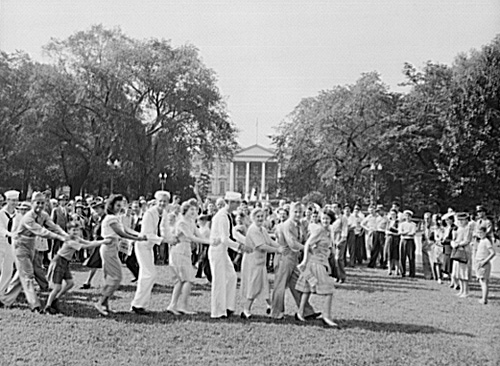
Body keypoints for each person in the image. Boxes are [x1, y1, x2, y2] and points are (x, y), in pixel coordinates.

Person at [0, 192, 68, 312]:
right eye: (37, 203)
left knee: (21, 274)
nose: (40, 205)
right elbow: (42, 231)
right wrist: (60, 238)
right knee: (28, 274)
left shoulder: (44, 215)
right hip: (20, 245)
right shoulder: (28, 217)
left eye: (42, 203)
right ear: (32, 203)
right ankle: (35, 305)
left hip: (31, 245)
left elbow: (53, 226)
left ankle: (5, 299)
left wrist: (65, 235)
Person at [95, 195, 146, 316]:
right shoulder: (110, 218)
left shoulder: (115, 218)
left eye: (120, 206)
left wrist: (140, 235)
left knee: (110, 278)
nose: (119, 208)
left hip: (112, 248)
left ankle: (105, 305)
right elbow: (121, 233)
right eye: (117, 205)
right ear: (111, 206)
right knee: (116, 278)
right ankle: (100, 302)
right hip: (109, 248)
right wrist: (138, 238)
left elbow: (126, 229)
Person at [45, 221, 109, 314]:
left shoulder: (77, 238)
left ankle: (56, 299)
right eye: (73, 230)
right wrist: (103, 242)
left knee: (70, 283)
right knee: (57, 287)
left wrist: (102, 241)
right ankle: (48, 306)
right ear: (69, 231)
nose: (75, 232)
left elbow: (88, 242)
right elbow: (86, 246)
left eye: (77, 230)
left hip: (65, 262)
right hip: (58, 261)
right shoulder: (69, 241)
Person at [271, 202, 319, 320]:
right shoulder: (288, 225)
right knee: (280, 286)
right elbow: (292, 243)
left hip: (294, 258)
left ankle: (306, 311)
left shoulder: (299, 225)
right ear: (290, 212)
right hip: (284, 258)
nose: (298, 214)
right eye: (295, 212)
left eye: (300, 212)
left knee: (298, 285)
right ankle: (276, 313)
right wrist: (307, 248)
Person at [209, 192, 252, 319]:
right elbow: (225, 239)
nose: (238, 205)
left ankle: (228, 306)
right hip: (217, 251)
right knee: (219, 281)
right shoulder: (222, 216)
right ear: (229, 202)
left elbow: (233, 234)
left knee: (231, 277)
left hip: (223, 251)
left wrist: (248, 242)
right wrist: (241, 247)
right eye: (236, 203)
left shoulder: (227, 215)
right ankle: (217, 311)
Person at [168, 199, 212, 315]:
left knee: (182, 281)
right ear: (185, 210)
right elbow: (191, 237)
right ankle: (182, 306)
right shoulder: (181, 222)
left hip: (186, 251)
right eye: (191, 209)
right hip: (179, 251)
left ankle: (173, 305)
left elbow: (199, 235)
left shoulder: (191, 222)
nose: (193, 211)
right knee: (187, 280)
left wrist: (211, 240)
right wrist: (210, 242)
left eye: (195, 209)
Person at [130, 191, 171, 315]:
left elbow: (165, 230)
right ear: (156, 201)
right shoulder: (149, 213)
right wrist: (163, 240)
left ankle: (139, 305)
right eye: (161, 201)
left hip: (150, 246)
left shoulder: (164, 213)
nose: (163, 203)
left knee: (147, 275)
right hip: (143, 245)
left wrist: (170, 239)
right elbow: (147, 234)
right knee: (149, 274)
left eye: (165, 201)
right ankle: (137, 304)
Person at [297, 210, 339, 328]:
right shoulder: (319, 230)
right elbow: (307, 244)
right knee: (328, 290)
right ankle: (326, 317)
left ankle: (300, 313)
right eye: (323, 218)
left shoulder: (328, 231)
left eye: (327, 219)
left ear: (331, 220)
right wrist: (305, 261)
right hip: (315, 263)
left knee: (307, 289)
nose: (325, 221)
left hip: (321, 262)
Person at [240, 208, 283, 319]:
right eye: (257, 216)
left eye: (261, 216)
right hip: (252, 262)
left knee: (264, 285)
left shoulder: (262, 229)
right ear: (253, 218)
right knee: (253, 285)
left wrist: (281, 246)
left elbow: (269, 242)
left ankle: (271, 306)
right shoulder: (253, 229)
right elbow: (261, 246)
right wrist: (277, 250)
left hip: (260, 262)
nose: (260, 218)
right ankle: (246, 310)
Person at [81, 201, 106, 289]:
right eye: (94, 209)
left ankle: (89, 282)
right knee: (95, 263)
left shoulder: (106, 219)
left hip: (103, 243)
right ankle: (88, 282)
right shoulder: (99, 219)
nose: (96, 211)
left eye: (97, 209)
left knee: (99, 263)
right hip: (98, 243)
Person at [0, 190, 19, 294]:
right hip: (1, 243)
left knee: (8, 270)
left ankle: (1, 292)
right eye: (13, 201)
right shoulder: (1, 214)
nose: (15, 203)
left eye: (16, 201)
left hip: (11, 246)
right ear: (7, 200)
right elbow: (1, 229)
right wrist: (9, 234)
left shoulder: (18, 215)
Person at [451, 212, 472, 298]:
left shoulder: (468, 229)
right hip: (457, 250)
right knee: (458, 271)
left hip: (464, 251)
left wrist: (458, 244)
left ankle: (466, 291)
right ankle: (461, 290)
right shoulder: (457, 229)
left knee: (464, 271)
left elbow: (467, 240)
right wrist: (453, 243)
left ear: (466, 220)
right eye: (459, 220)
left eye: (462, 220)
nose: (460, 222)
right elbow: (453, 239)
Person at [475, 226, 496, 304]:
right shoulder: (481, 241)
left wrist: (484, 261)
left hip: (483, 263)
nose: (479, 234)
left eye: (481, 232)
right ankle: (483, 298)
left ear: (485, 232)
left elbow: (493, 253)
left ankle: (484, 299)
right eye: (478, 232)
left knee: (484, 281)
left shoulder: (486, 241)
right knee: (481, 281)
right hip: (479, 262)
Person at [330, 203, 348, 283]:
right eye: (332, 207)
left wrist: (342, 240)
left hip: (340, 239)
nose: (334, 209)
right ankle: (336, 276)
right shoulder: (332, 218)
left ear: (339, 208)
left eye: (335, 207)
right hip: (332, 239)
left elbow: (344, 230)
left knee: (338, 259)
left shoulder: (343, 218)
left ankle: (342, 276)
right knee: (333, 259)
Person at [399, 210, 417, 278]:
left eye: (409, 216)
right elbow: (400, 232)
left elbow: (412, 233)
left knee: (411, 257)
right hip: (403, 240)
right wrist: (406, 232)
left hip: (410, 241)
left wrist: (405, 233)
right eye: (406, 216)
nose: (408, 217)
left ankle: (412, 273)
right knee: (402, 257)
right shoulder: (402, 224)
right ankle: (402, 272)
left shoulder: (413, 224)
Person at [385, 209, 400, 276]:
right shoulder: (388, 222)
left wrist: (393, 231)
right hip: (389, 238)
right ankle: (389, 269)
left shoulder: (398, 222)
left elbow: (399, 231)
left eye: (394, 214)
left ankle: (397, 270)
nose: (392, 215)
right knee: (389, 254)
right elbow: (386, 230)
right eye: (391, 214)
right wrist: (390, 232)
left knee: (396, 255)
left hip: (396, 239)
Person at [420, 212, 434, 280]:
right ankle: (427, 275)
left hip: (432, 244)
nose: (426, 220)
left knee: (432, 260)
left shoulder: (434, 226)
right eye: (425, 218)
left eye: (428, 218)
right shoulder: (423, 225)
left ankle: (434, 274)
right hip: (424, 243)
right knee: (425, 260)